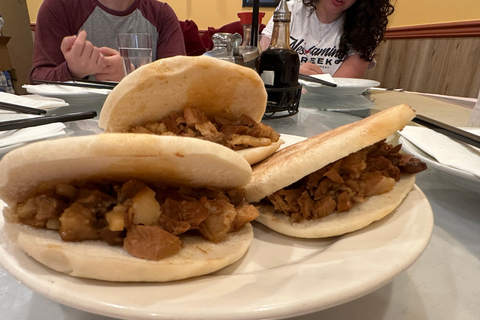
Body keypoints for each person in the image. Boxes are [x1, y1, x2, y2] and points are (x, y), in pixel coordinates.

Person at [30, 0, 186, 82]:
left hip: (143, 125)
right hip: (71, 126)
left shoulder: (162, 15)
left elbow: (179, 82)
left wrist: (131, 77)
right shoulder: (59, 7)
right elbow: (37, 79)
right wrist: (73, 71)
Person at [260, 0, 394, 78]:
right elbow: (263, 66)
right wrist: (295, 72)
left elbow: (338, 89)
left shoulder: (366, 26)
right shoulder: (290, 9)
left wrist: (288, 74)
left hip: (332, 111)